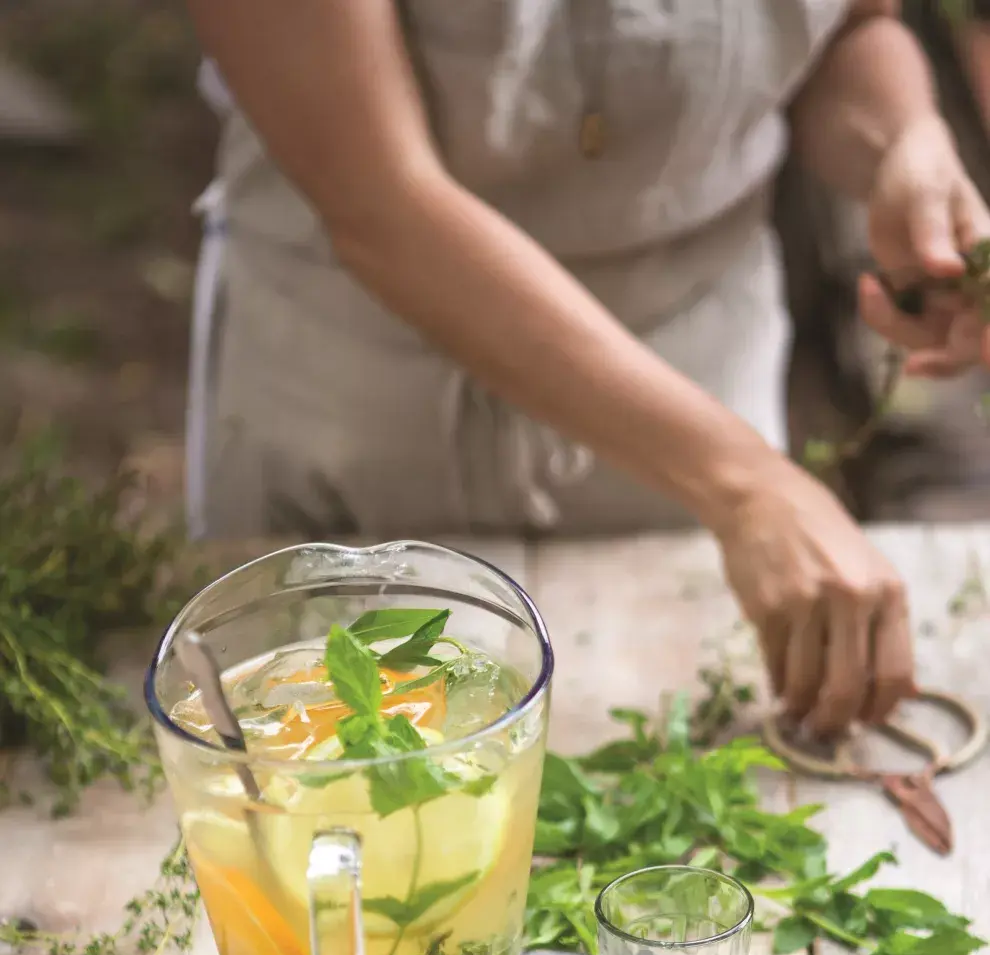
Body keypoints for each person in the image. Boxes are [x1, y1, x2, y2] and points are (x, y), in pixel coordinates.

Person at [184, 1, 990, 737]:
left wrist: (903, 143)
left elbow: (849, 29)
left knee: (683, 742)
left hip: (699, 374)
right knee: (326, 753)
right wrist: (747, 482)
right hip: (365, 398)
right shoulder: (739, 479)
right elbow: (378, 203)